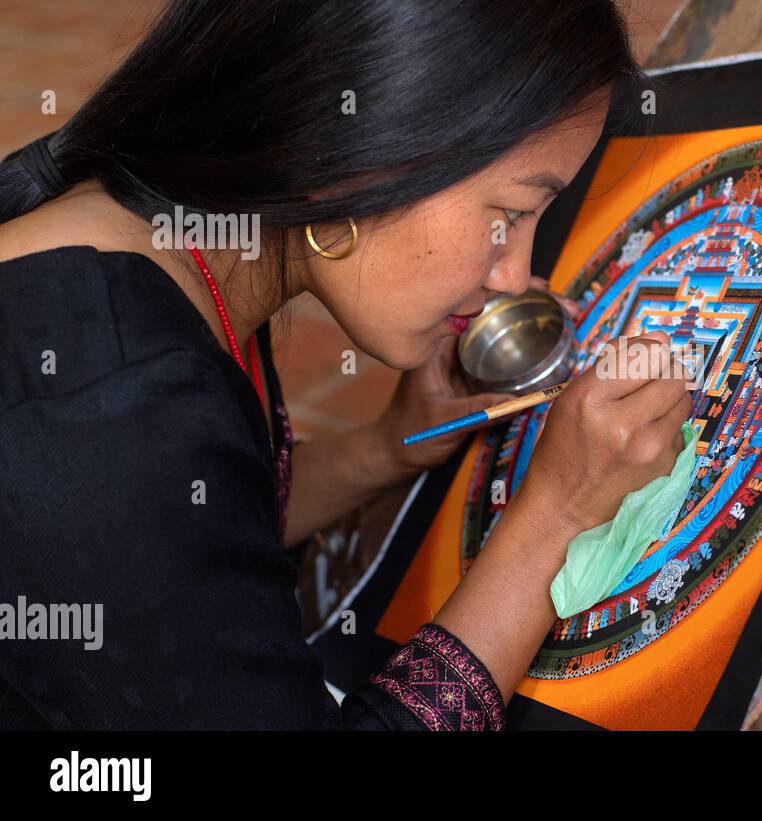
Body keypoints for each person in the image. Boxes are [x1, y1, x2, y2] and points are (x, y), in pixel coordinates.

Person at [0, 0, 691, 730]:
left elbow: (180, 541)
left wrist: (387, 446)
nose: (513, 275)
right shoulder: (109, 407)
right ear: (357, 155)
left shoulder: (155, 240)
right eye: (513, 213)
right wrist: (554, 520)